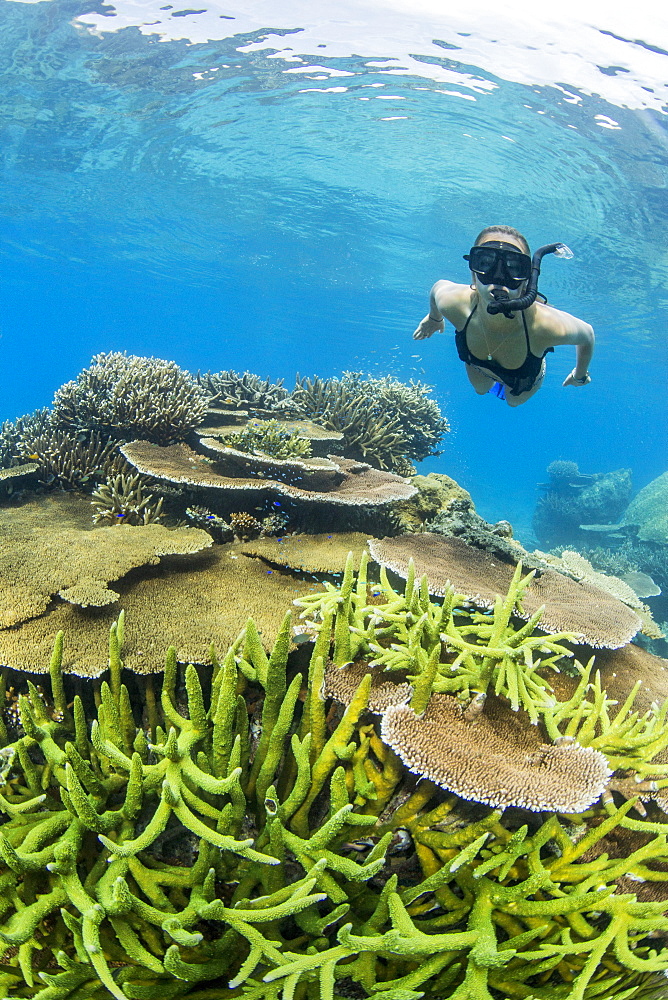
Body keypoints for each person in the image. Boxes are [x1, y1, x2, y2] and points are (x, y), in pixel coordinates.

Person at [412, 225, 594, 406]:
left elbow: (588, 334)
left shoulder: (544, 326)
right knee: (480, 389)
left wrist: (579, 375)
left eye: (513, 267)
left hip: (523, 373)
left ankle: (539, 358)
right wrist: (434, 318)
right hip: (478, 365)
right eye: (485, 263)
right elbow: (438, 287)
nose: (498, 277)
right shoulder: (454, 303)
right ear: (473, 273)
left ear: (527, 280)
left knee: (513, 401)